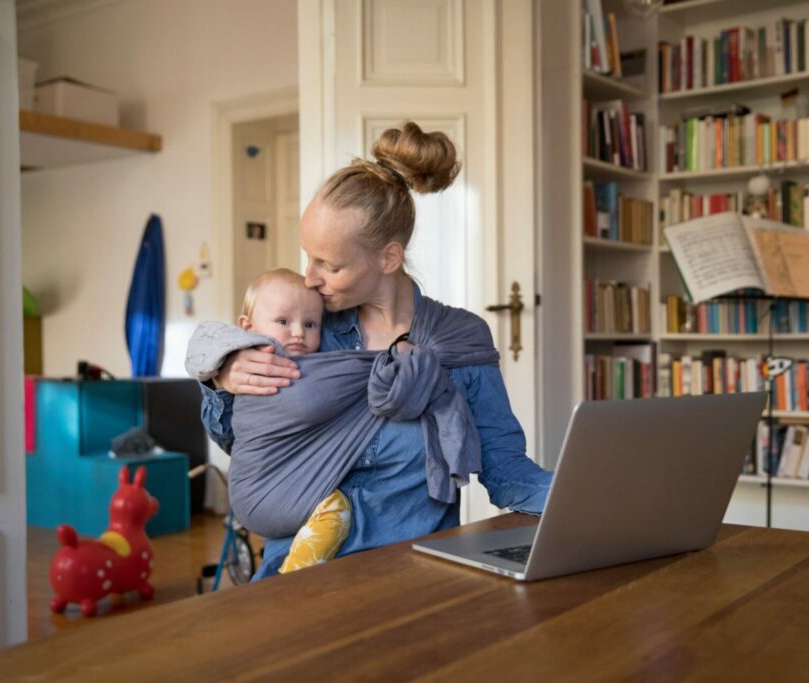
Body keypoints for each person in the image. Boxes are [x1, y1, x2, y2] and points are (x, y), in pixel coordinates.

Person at [196, 121, 552, 579]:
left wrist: (598, 498)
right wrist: (222, 377)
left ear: (388, 258)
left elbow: (506, 472)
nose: (310, 278)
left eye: (330, 265)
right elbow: (248, 444)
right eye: (308, 257)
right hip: (298, 575)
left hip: (410, 578)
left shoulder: (458, 343)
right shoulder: (310, 331)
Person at [232, 267, 350, 573]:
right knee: (337, 507)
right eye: (284, 322)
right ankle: (296, 571)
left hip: (274, 491)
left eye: (310, 324)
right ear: (247, 327)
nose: (299, 332)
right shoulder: (259, 371)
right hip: (267, 491)